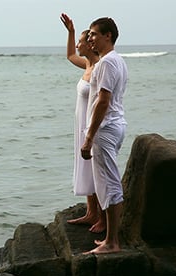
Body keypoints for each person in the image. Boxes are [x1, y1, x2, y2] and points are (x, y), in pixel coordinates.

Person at [81, 17, 128, 254]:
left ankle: (112, 242)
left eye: (93, 34)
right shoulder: (117, 61)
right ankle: (111, 239)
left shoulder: (107, 63)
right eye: (88, 35)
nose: (90, 38)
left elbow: (103, 100)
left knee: (109, 183)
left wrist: (89, 137)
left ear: (107, 35)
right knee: (108, 181)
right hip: (114, 125)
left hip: (106, 128)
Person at [60, 13, 105, 233]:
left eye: (80, 41)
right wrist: (69, 32)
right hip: (80, 123)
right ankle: (91, 213)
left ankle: (102, 217)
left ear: (89, 45)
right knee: (85, 166)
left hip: (91, 125)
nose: (77, 44)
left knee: (96, 168)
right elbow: (69, 55)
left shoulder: (99, 69)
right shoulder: (87, 64)